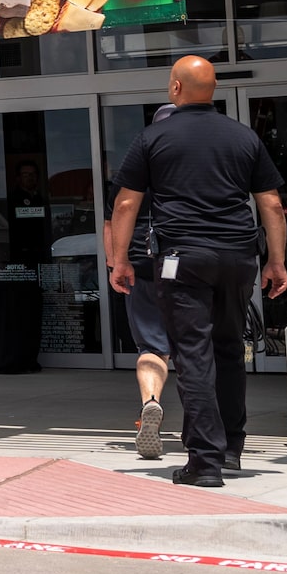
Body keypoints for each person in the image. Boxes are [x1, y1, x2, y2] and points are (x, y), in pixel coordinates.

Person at [107, 57, 286, 486]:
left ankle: (204, 462)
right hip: (239, 258)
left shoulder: (153, 137)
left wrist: (121, 259)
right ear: (214, 88)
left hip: (181, 259)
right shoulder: (244, 137)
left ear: (175, 88)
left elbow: (126, 204)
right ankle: (230, 451)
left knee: (193, 355)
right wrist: (276, 261)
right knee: (229, 350)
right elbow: (272, 204)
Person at [102, 102, 178, 462]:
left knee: (152, 348)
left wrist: (117, 263)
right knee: (197, 348)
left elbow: (113, 218)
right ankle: (200, 427)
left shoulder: (133, 169)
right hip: (190, 268)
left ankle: (151, 402)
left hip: (143, 269)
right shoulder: (194, 166)